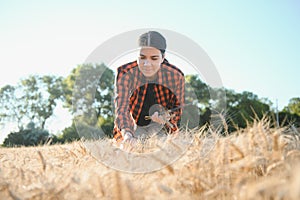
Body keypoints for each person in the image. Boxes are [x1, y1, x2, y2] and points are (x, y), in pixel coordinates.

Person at [113, 31, 185, 144]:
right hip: (134, 124)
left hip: (161, 127)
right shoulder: (125, 73)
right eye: (142, 57)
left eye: (154, 58)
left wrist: (165, 117)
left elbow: (178, 109)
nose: (147, 64)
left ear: (163, 58)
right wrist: (127, 135)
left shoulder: (175, 76)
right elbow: (122, 108)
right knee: (131, 147)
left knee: (163, 146)